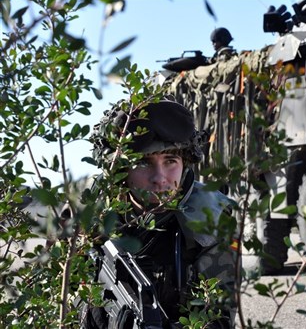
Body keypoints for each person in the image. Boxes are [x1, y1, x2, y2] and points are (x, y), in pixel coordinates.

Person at [81, 99, 238, 328]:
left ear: (185, 164)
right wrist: (92, 311)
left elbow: (218, 318)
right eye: (143, 163)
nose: (160, 177)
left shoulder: (210, 221)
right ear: (121, 170)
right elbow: (63, 295)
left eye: (171, 161)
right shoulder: (94, 215)